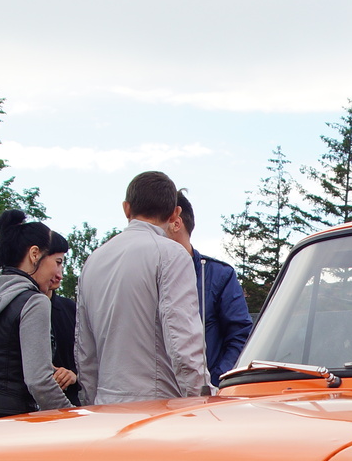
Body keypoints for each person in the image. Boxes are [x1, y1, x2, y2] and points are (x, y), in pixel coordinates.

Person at [74, 171, 209, 404]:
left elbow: (85, 350)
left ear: (126, 209)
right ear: (175, 213)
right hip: (158, 408)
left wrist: (91, 401)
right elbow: (183, 341)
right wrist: (200, 398)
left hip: (105, 404)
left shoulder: (94, 260)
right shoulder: (172, 254)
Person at [0, 210, 73, 423]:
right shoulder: (33, 301)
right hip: (16, 420)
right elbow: (38, 381)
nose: (58, 273)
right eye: (58, 262)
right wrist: (73, 415)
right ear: (34, 254)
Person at [164, 189, 253, 385]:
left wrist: (214, 382)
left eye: (156, 225)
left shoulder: (219, 276)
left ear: (175, 222)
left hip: (206, 400)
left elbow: (240, 335)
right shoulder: (147, 275)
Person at [46, 228, 81, 405]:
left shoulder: (71, 309)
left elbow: (89, 356)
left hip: (69, 404)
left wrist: (74, 374)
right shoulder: (16, 308)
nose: (59, 273)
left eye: (61, 263)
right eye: (56, 263)